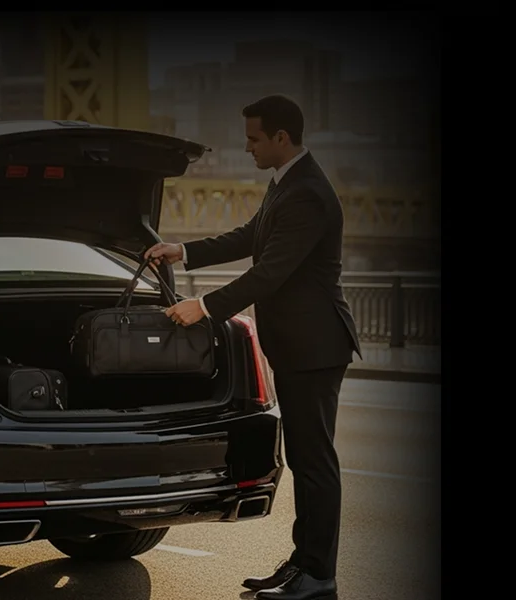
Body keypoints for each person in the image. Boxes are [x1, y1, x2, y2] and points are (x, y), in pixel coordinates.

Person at [145, 94, 361, 600]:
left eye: (254, 138)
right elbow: (251, 237)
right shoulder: (287, 182)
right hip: (300, 346)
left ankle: (319, 576)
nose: (248, 148)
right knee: (306, 461)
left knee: (314, 464)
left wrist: (205, 306)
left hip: (316, 347)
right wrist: (184, 251)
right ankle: (304, 565)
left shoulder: (308, 192)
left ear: (282, 137)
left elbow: (270, 272)